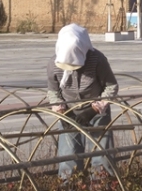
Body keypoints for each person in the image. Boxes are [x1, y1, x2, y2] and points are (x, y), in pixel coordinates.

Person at [47, 23, 119, 180]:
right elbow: (53, 92)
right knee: (69, 159)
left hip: (97, 112)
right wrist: (62, 112)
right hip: (69, 114)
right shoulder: (54, 64)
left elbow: (111, 87)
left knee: (102, 157)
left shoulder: (97, 60)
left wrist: (94, 109)